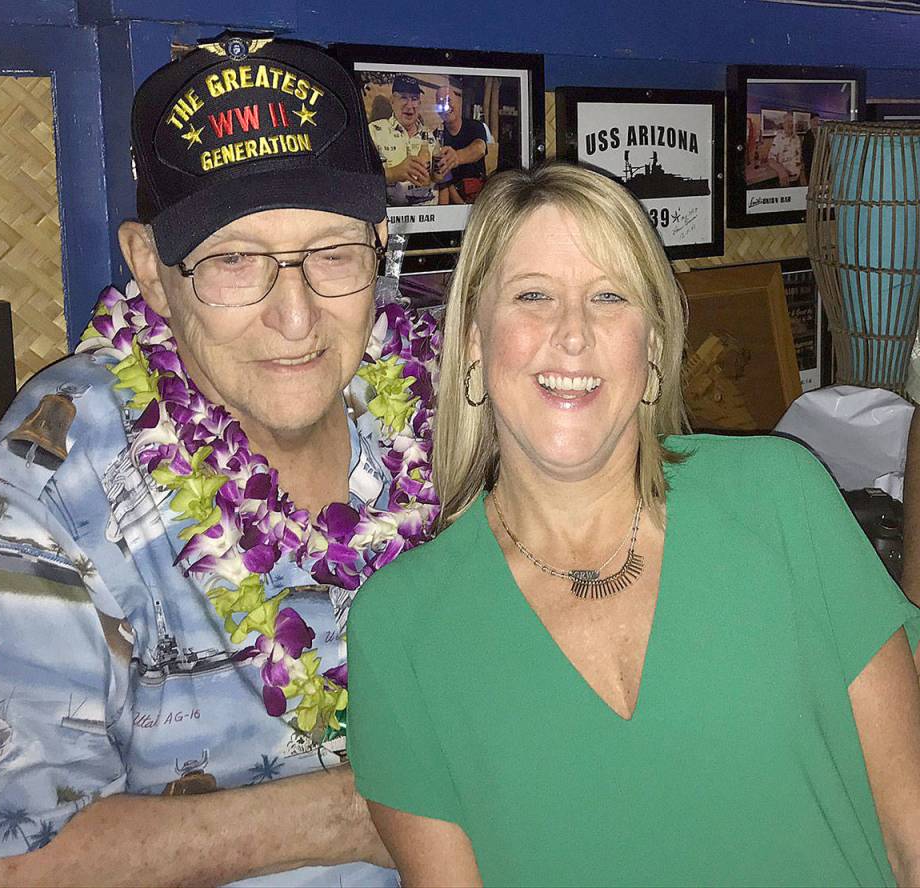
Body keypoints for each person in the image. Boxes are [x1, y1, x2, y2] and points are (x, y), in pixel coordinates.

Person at [0, 35, 441, 887]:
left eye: (332, 254)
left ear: (380, 242)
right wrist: (363, 812)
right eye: (233, 262)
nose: (295, 318)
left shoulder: (445, 386)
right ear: (151, 268)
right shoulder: (64, 468)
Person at [347, 162, 920, 887]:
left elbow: (912, 837)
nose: (574, 335)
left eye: (608, 297)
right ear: (471, 343)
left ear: (651, 349)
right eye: (533, 296)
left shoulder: (781, 500)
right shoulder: (400, 629)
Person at [368, 75, 439, 207]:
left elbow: (440, 179)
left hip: (428, 216)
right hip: (392, 218)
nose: (410, 105)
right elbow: (362, 179)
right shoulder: (374, 132)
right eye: (404, 97)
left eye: (414, 99)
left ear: (420, 103)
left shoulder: (430, 136)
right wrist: (394, 173)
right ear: (392, 101)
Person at [434, 76, 489, 205]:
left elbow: (480, 149)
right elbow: (443, 177)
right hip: (454, 198)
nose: (446, 106)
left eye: (449, 100)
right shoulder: (437, 135)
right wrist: (460, 205)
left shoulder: (475, 126)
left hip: (478, 196)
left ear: (458, 102)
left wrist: (456, 158)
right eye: (441, 102)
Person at [768, 111, 804, 187]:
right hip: (785, 180)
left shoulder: (797, 138)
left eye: (791, 122)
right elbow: (771, 159)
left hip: (797, 180)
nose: (790, 124)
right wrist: (781, 171)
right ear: (783, 124)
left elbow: (799, 159)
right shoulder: (778, 139)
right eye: (787, 121)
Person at [801, 113, 821, 185]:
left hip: (821, 166)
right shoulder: (807, 135)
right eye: (815, 120)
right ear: (811, 121)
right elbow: (805, 152)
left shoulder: (822, 134)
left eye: (818, 121)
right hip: (810, 167)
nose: (817, 123)